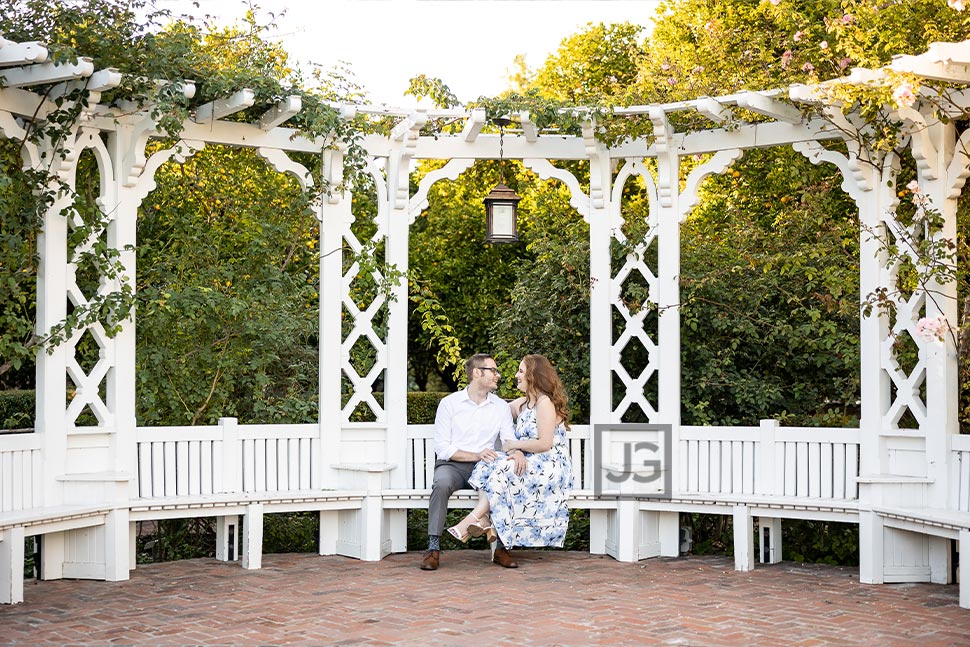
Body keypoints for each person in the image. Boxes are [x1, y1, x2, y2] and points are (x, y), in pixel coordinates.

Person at [448, 354, 574, 567]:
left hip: (548, 466)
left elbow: (544, 443)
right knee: (488, 461)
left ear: (534, 376)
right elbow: (494, 410)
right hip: (528, 461)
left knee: (503, 467)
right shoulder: (523, 404)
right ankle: (485, 519)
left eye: (521, 371)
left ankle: (474, 518)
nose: (516, 375)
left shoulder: (545, 403)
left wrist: (514, 447)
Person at [420, 353, 516, 571]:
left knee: (501, 484)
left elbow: (509, 440)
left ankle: (502, 548)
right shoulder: (449, 404)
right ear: (476, 373)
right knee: (441, 484)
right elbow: (443, 448)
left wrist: (517, 450)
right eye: (493, 370)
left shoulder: (500, 407)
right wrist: (476, 455)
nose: (497, 375)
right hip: (453, 466)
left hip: (486, 468)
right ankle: (433, 548)